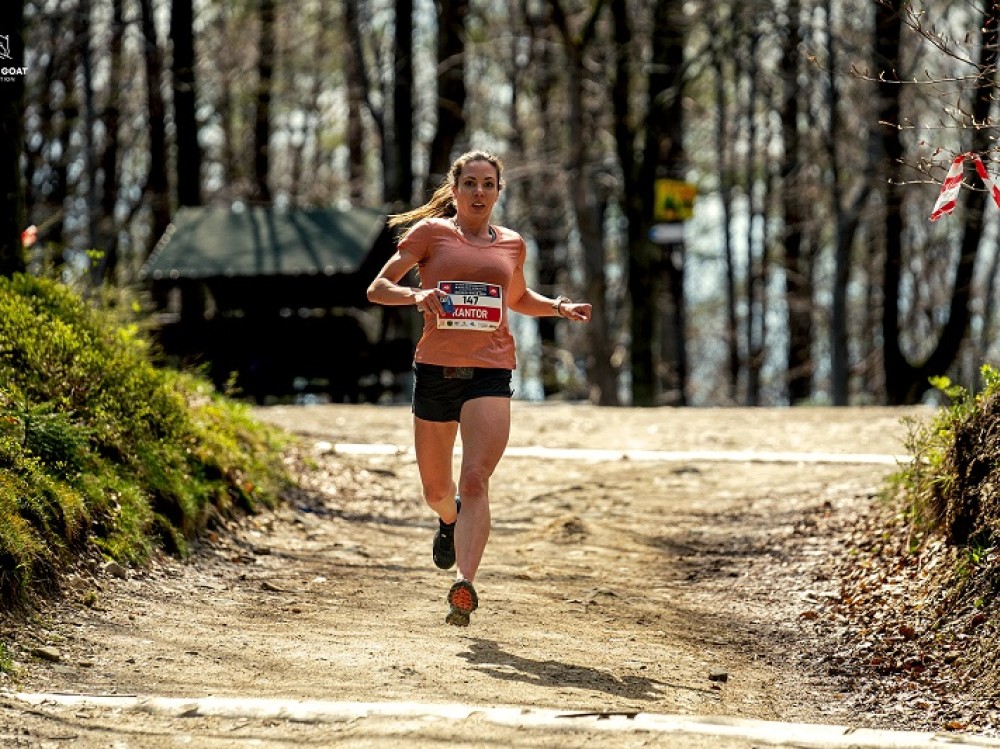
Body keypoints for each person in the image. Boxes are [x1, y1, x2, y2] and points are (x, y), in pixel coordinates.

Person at [366, 150, 592, 627]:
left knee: (475, 480)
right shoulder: (430, 235)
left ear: (498, 190)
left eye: (488, 184)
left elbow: (518, 298)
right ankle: (448, 519)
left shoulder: (512, 244)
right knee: (436, 490)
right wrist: (415, 294)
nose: (478, 192)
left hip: (491, 371)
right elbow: (378, 288)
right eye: (470, 183)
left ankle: (464, 583)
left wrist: (558, 307)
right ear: (454, 189)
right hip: (435, 370)